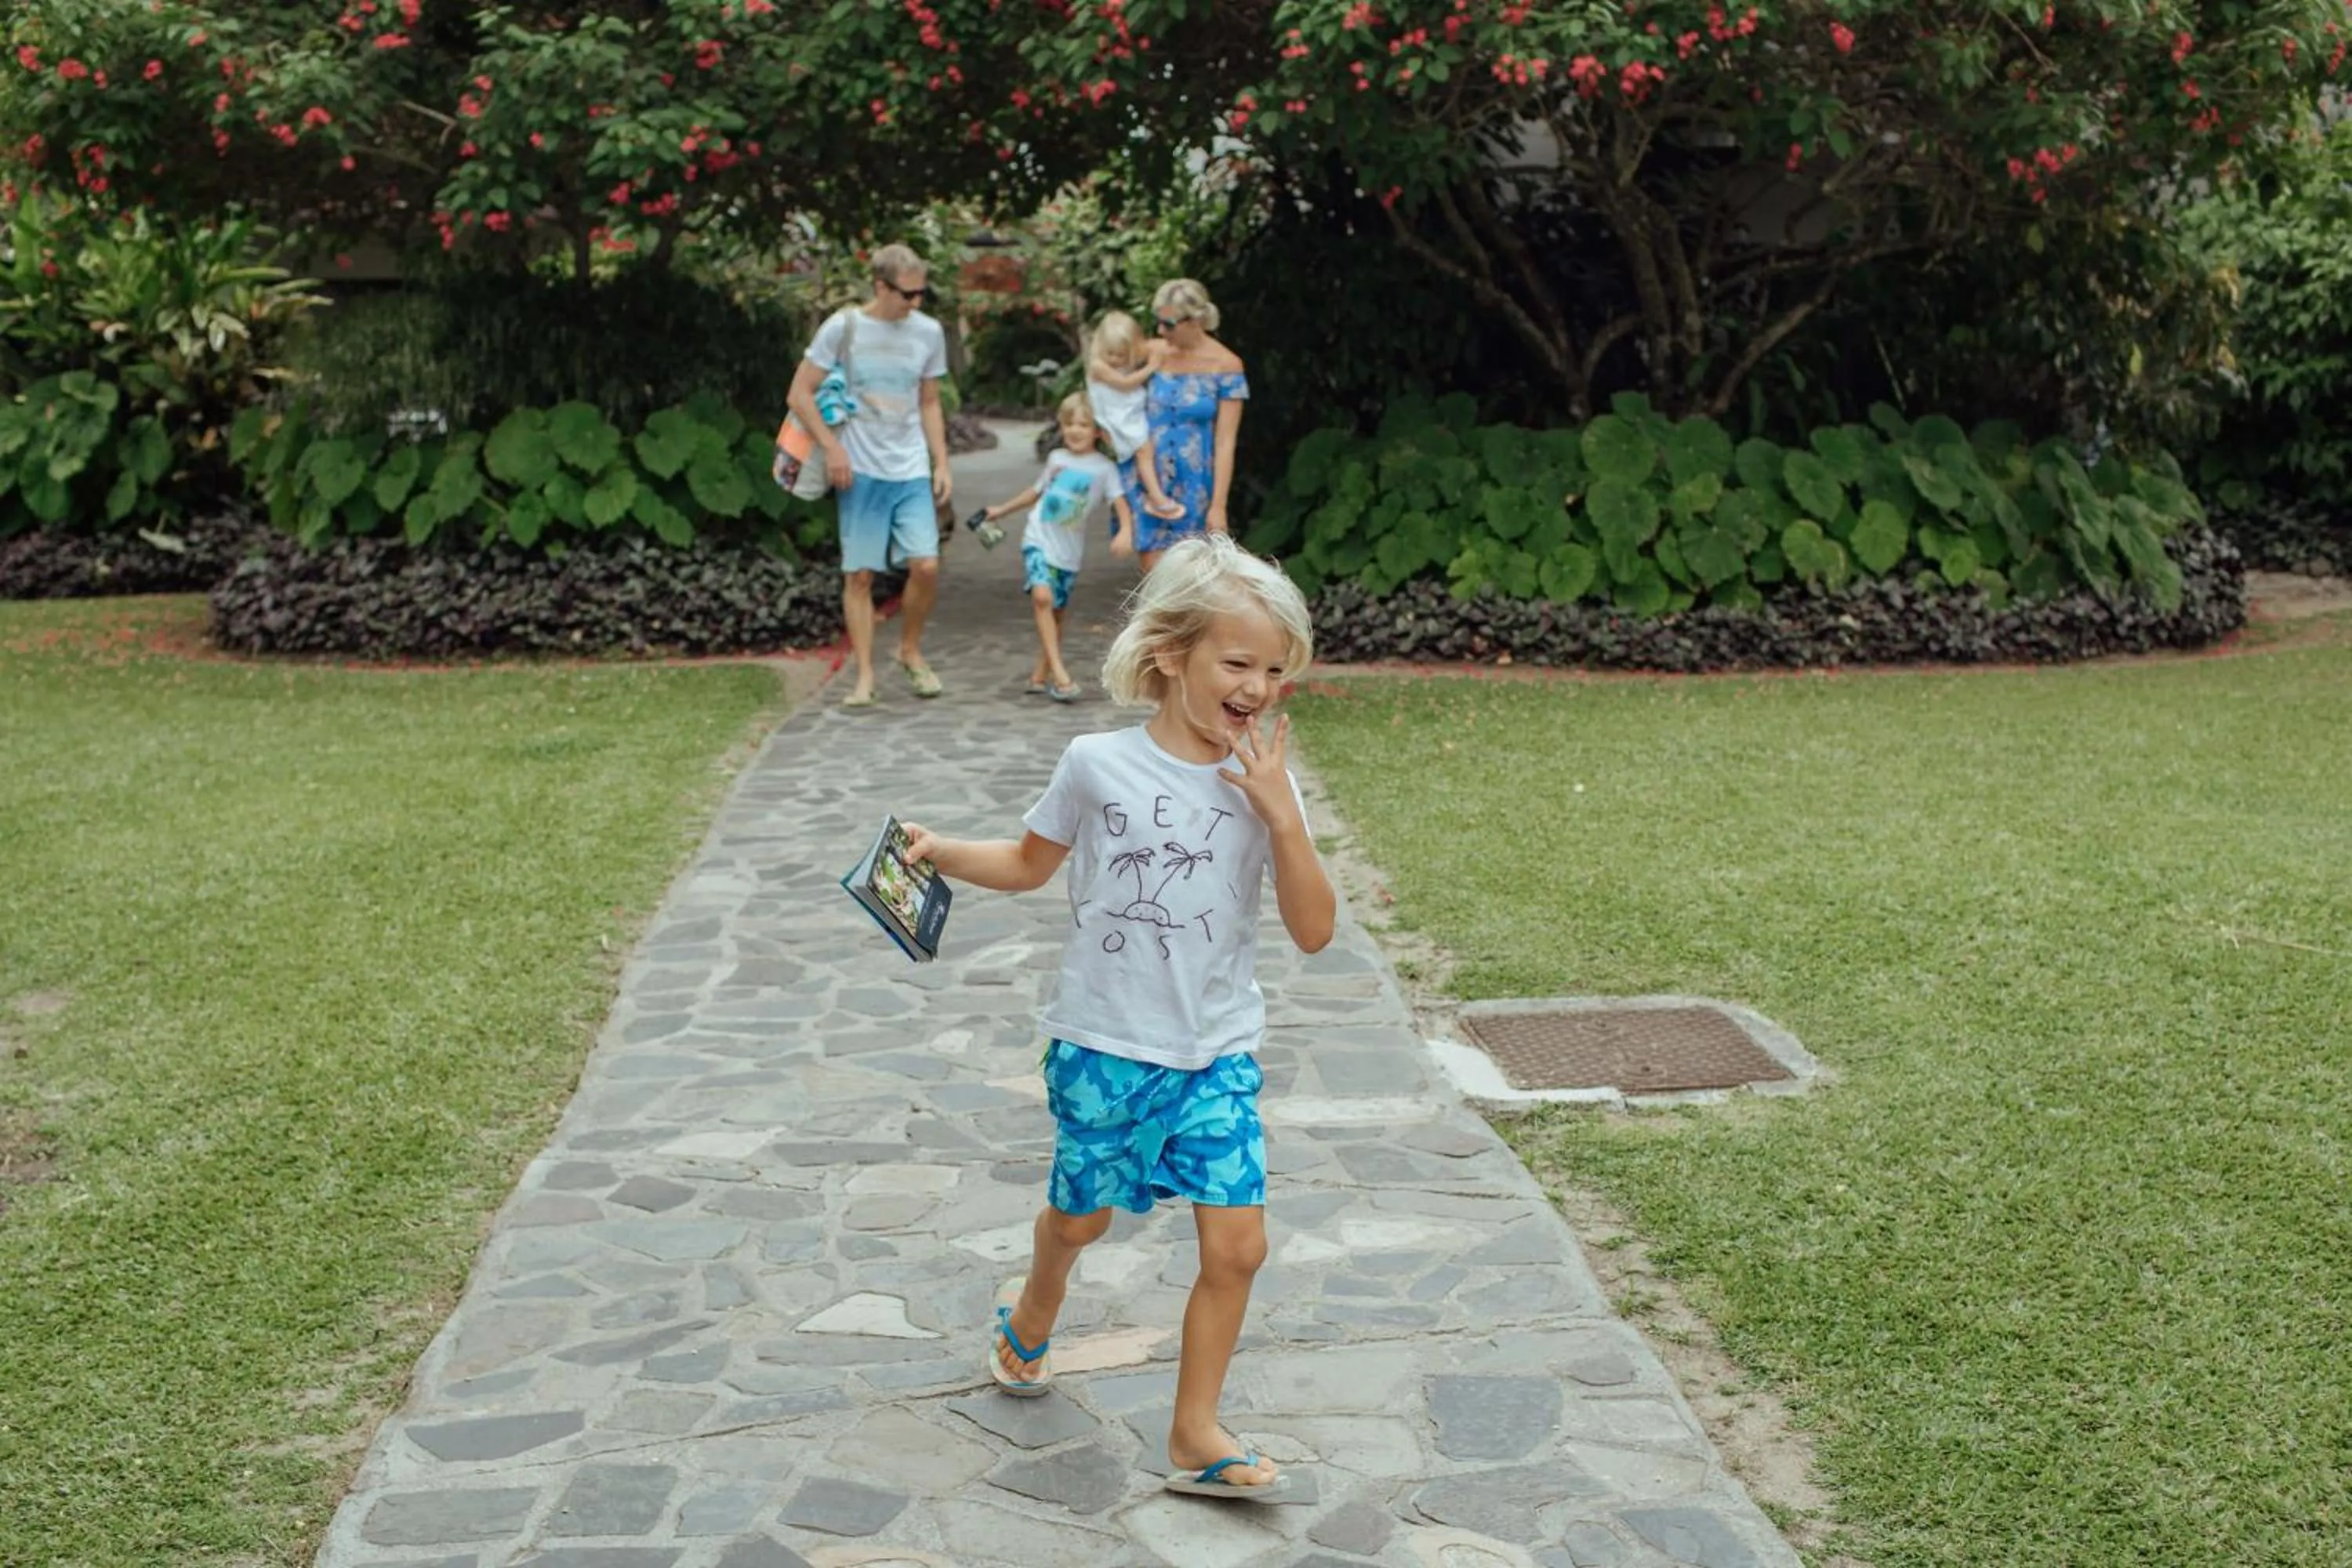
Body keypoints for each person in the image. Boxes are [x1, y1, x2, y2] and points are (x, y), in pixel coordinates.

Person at [901, 535, 1334, 1503]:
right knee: (1082, 1215)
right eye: (1238, 663)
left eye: (1274, 669)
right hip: (1104, 1047)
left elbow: (1313, 930)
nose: (1258, 687)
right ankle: (1037, 1300)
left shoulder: (1269, 786)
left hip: (1215, 1054)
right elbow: (1026, 861)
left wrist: (1282, 816)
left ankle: (1193, 1429)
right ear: (1172, 654)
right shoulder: (1096, 762)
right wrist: (940, 853)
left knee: (1239, 1246)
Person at [788, 244, 953, 708]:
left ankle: (910, 649)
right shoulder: (844, 328)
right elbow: (800, 393)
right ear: (880, 286)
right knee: (859, 575)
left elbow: (929, 401)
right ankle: (864, 676)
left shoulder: (928, 332)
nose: (916, 302)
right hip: (859, 470)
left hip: (910, 468)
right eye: (907, 294)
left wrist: (941, 461)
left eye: (922, 293)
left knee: (926, 564)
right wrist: (832, 446)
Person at [970, 393, 1137, 702]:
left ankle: (1039, 674)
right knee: (1043, 598)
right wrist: (1001, 510)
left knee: (1056, 612)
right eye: (1069, 423)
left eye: (1083, 425)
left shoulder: (1104, 469)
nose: (1075, 430)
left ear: (1098, 432)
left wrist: (1126, 531)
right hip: (1038, 539)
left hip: (1069, 552)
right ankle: (1060, 675)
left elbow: (1121, 504)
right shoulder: (1057, 459)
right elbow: (1035, 493)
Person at [1137, 278, 1248, 570]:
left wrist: (1218, 506)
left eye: (1169, 324)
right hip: (1151, 480)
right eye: (1158, 322)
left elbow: (1225, 442)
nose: (1161, 331)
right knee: (1153, 579)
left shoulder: (1227, 365)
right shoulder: (1154, 353)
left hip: (1195, 484)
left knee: (1192, 578)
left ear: (1195, 319)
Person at [1084, 310, 1186, 528]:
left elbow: (1154, 347)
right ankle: (1156, 497)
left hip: (1127, 412)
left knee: (1145, 451)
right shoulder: (1098, 366)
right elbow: (1125, 384)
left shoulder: (1126, 357)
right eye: (1110, 353)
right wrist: (1151, 367)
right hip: (1116, 416)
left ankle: (1154, 495)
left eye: (1121, 355)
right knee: (1143, 450)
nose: (1115, 359)